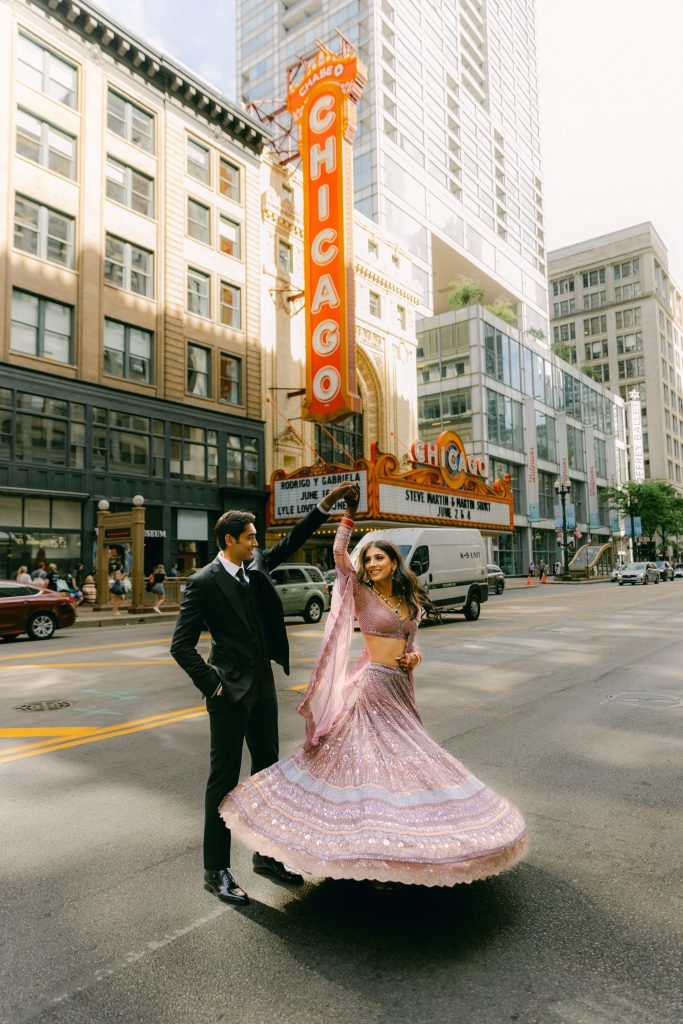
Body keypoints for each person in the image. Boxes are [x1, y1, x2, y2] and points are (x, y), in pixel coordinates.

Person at [219, 484, 528, 895]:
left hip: (400, 689)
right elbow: (338, 557)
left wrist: (415, 657)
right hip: (371, 689)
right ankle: (367, 848)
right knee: (368, 764)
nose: (373, 563)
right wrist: (347, 513)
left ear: (393, 562)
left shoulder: (410, 598)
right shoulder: (362, 594)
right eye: (369, 559)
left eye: (379, 557)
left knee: (411, 764)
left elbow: (412, 643)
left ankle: (408, 840)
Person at [170, 481, 358, 906]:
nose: (257, 541)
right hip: (228, 693)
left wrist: (325, 505)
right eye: (251, 536)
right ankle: (215, 870)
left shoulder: (255, 565)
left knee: (269, 775)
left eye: (256, 537)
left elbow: (294, 539)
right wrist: (213, 684)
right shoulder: (202, 582)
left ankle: (266, 857)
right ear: (229, 541)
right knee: (223, 780)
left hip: (263, 687)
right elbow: (180, 645)